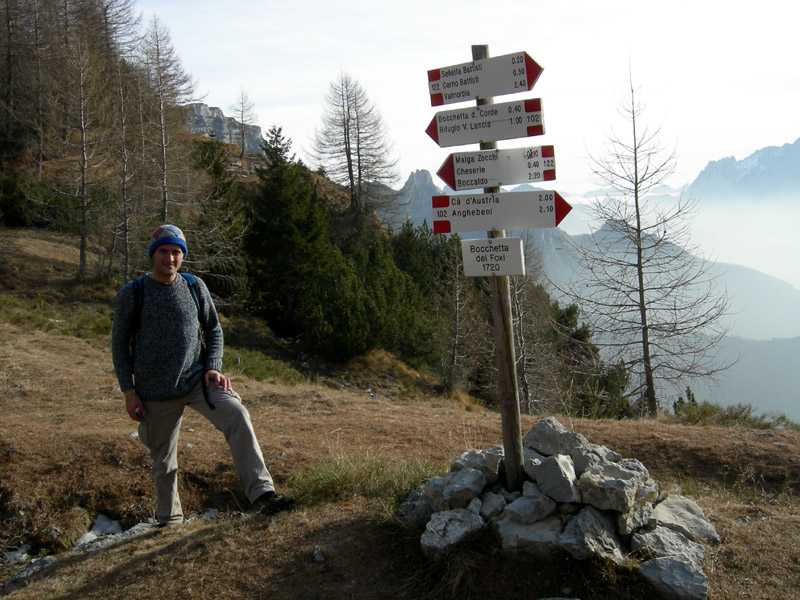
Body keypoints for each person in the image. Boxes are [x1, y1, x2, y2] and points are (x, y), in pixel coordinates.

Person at [111, 224, 292, 525]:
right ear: (153, 255)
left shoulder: (195, 286)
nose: (170, 258)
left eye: (176, 252)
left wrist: (213, 367)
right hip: (155, 392)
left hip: (199, 382)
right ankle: (169, 522)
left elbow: (213, 329)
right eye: (164, 252)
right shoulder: (133, 293)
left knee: (237, 415)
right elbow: (119, 345)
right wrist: (129, 393)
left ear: (183, 257)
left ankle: (263, 496)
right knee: (163, 462)